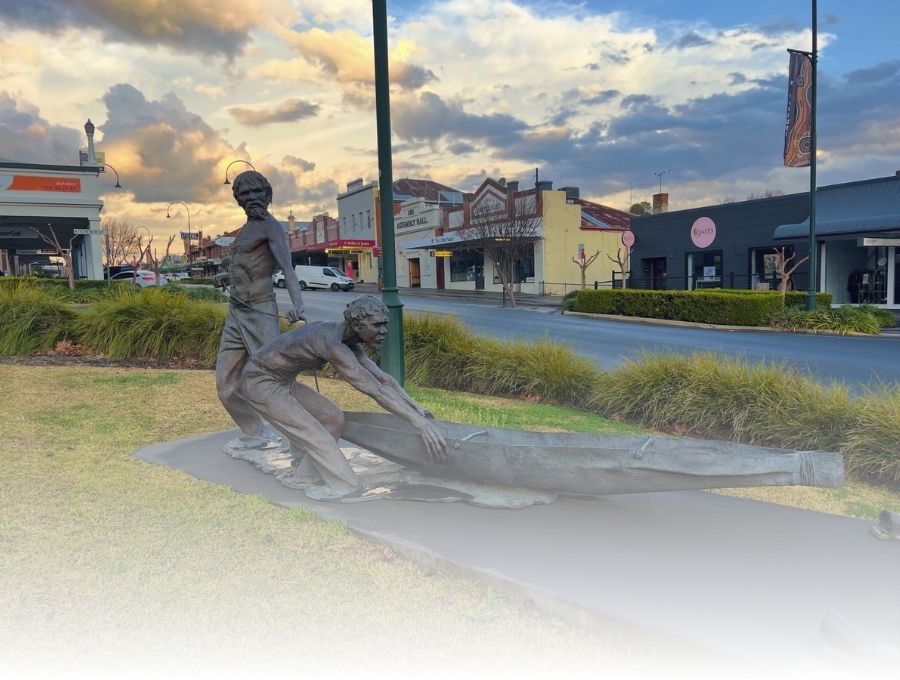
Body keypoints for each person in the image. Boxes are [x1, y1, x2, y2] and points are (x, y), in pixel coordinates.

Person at [237, 296, 447, 499]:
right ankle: (345, 487)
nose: (383, 331)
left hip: (283, 381)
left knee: (333, 418)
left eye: (385, 324)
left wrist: (416, 407)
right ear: (357, 325)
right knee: (315, 433)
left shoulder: (349, 341)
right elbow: (375, 390)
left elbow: (384, 380)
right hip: (259, 382)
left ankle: (305, 477)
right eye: (377, 325)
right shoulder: (332, 343)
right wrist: (420, 424)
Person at [216, 171, 307, 451]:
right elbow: (247, 266)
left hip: (260, 312)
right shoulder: (244, 230)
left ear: (268, 196)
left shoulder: (271, 226)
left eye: (257, 193)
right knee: (226, 386)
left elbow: (287, 268)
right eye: (245, 194)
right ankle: (254, 432)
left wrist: (298, 305)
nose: (252, 199)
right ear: (238, 200)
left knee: (274, 380)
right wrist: (226, 277)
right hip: (236, 314)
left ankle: (303, 437)